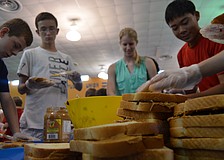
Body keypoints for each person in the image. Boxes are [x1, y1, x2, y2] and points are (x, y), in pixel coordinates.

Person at [137, 0, 224, 97]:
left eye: (185, 22)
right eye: (175, 28)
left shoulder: (216, 40)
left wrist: (186, 98)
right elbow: (192, 86)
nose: (182, 30)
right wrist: (178, 92)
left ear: (196, 15)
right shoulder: (181, 54)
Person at [17, 12, 82, 140]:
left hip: (62, 118)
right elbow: (20, 88)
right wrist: (30, 85)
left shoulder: (67, 58)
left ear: (57, 31)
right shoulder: (30, 54)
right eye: (43, 29)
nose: (48, 33)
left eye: (51, 28)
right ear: (37, 32)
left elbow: (79, 87)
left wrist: (78, 80)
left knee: (61, 155)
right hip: (35, 121)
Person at [0, 18, 34, 141]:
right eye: (15, 46)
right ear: (3, 33)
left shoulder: (1, 68)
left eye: (19, 51)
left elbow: (6, 98)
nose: (15, 53)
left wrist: (16, 132)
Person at [107, 27, 158, 96]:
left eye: (131, 44)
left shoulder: (148, 63)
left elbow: (157, 88)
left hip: (144, 105)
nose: (128, 48)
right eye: (125, 44)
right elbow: (110, 93)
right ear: (120, 44)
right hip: (122, 105)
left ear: (136, 43)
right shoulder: (113, 68)